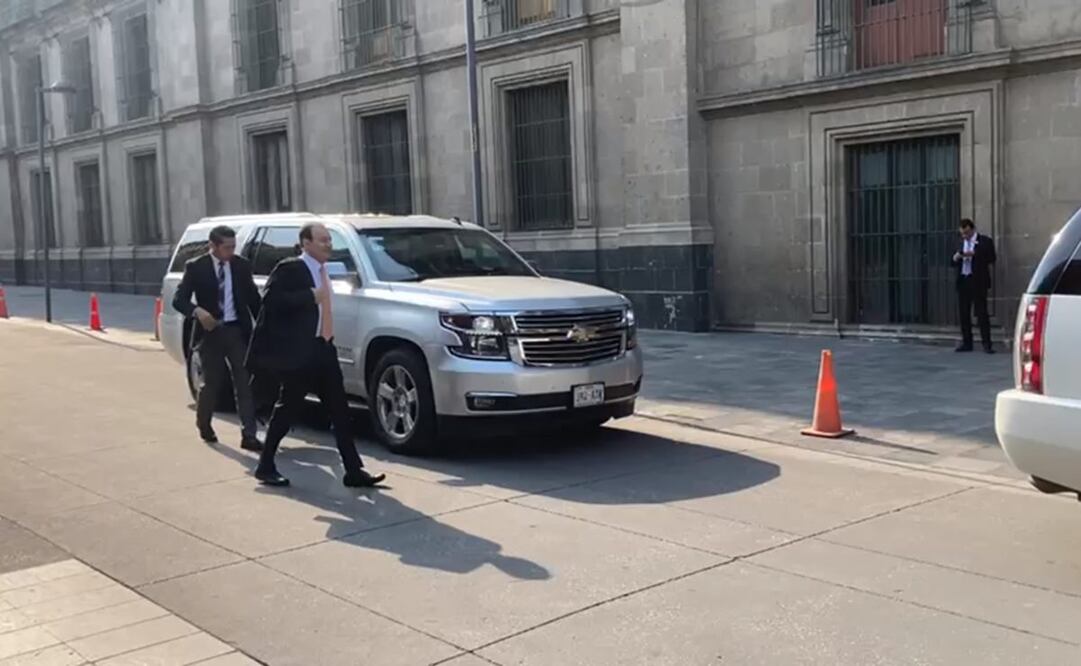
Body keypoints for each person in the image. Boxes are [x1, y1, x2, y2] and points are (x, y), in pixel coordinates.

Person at [248, 222, 385, 488]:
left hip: (324, 348)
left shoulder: (326, 271)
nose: (328, 245)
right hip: (301, 351)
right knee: (287, 408)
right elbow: (271, 301)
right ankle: (265, 466)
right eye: (322, 240)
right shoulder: (291, 268)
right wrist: (309, 295)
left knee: (340, 410)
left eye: (329, 241)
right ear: (306, 243)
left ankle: (353, 471)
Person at [172, 225, 264, 450]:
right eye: (226, 247)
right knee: (212, 383)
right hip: (210, 332)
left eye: (233, 246)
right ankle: (204, 423)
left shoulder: (241, 266)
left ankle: (249, 435)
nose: (231, 252)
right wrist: (198, 312)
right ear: (213, 246)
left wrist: (264, 326)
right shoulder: (196, 267)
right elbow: (179, 300)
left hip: (236, 331)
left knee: (244, 382)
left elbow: (253, 300)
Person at [952, 218, 996, 354]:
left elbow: (992, 258)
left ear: (972, 229)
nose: (964, 236)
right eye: (962, 234)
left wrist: (975, 254)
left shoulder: (985, 241)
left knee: (982, 313)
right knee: (964, 314)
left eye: (967, 233)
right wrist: (956, 258)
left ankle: (987, 344)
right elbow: (952, 261)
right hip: (964, 280)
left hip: (978, 281)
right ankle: (967, 342)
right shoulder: (959, 243)